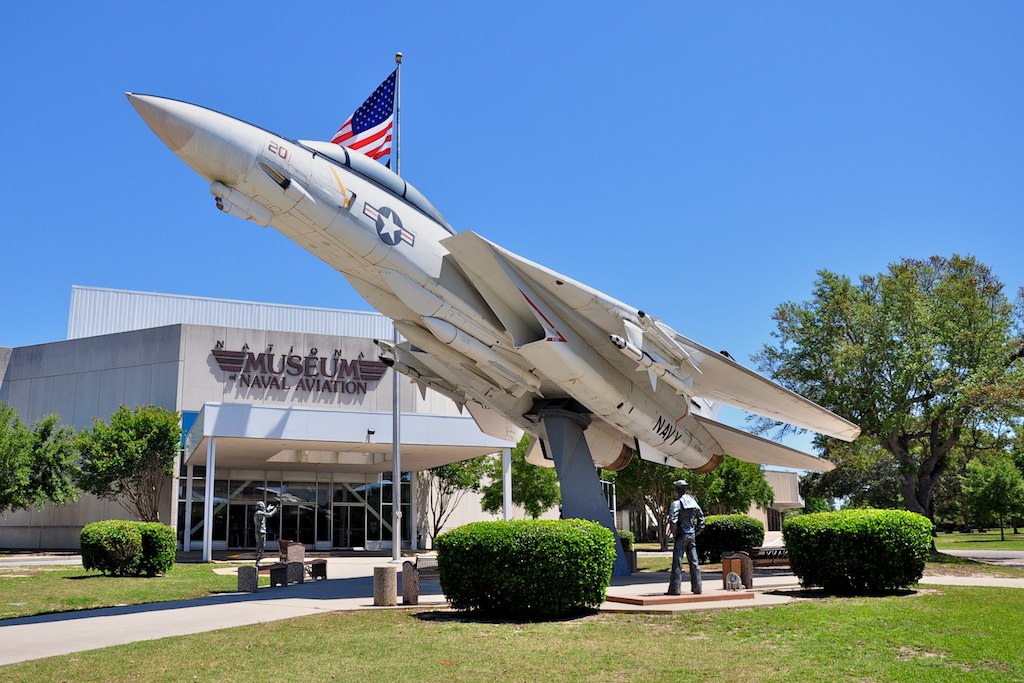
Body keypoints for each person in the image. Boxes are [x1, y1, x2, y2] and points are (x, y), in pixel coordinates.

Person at [667, 479, 705, 595]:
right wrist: (697, 531)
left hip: (682, 534)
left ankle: (675, 589)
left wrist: (675, 534)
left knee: (677, 562)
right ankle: (697, 588)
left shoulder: (676, 504)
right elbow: (701, 519)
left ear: (677, 490)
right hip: (691, 535)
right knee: (694, 562)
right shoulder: (693, 502)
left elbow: (673, 520)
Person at [253, 501, 279, 567]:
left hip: (260, 532)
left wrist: (267, 509)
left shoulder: (258, 513)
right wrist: (275, 509)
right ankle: (257, 561)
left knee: (261, 546)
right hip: (260, 532)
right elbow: (269, 515)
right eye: (263, 506)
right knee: (260, 546)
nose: (263, 507)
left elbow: (264, 513)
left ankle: (258, 561)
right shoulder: (259, 513)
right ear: (260, 506)